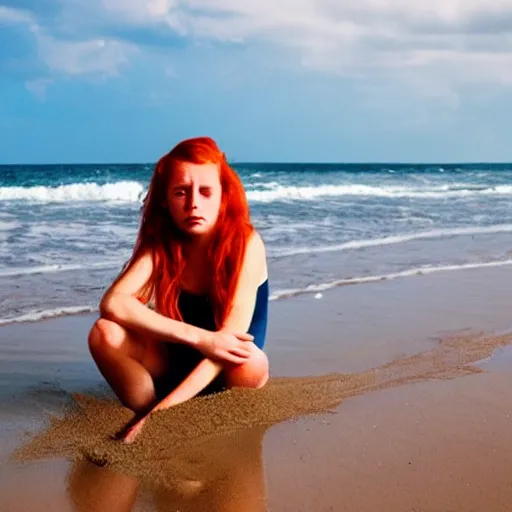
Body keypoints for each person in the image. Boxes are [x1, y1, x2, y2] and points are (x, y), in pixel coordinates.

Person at [87, 137, 269, 443]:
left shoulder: (245, 244)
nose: (193, 203)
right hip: (174, 364)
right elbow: (113, 303)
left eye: (206, 191)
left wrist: (160, 418)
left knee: (250, 360)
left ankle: (167, 414)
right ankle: (142, 407)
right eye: (181, 192)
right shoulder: (162, 246)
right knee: (104, 333)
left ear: (223, 196)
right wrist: (201, 338)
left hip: (225, 372)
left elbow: (225, 348)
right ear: (165, 200)